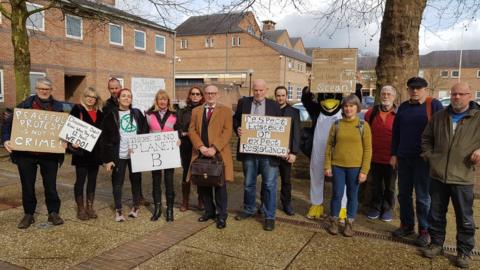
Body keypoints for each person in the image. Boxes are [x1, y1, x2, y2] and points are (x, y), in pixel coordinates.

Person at [421, 82, 480, 269]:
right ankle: (436, 243)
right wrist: (430, 157)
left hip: (463, 176)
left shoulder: (477, 118)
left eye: (461, 94)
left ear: (469, 95)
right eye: (454, 94)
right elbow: (426, 139)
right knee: (436, 214)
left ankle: (464, 251)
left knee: (465, 217)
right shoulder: (439, 117)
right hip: (438, 175)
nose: (456, 97)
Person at [2, 77, 65, 228]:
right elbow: (8, 125)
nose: (44, 91)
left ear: (51, 90)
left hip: (50, 155)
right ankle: (28, 214)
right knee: (27, 185)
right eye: (41, 88)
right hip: (26, 155)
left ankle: (53, 213)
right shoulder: (25, 105)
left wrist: (65, 140)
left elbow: (65, 128)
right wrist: (6, 140)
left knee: (50, 185)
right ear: (36, 89)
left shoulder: (58, 107)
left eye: (47, 89)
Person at [390, 77, 443, 246]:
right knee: (403, 194)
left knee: (422, 197)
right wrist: (394, 154)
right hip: (404, 157)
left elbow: (441, 132)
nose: (415, 91)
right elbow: (396, 132)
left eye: (418, 88)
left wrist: (435, 155)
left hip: (423, 160)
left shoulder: (433, 105)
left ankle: (424, 230)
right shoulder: (404, 107)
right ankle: (407, 225)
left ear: (425, 90)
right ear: (408, 90)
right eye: (412, 88)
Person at [233, 79, 281, 231]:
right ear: (252, 90)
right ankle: (249, 209)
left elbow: (282, 127)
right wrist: (238, 128)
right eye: (256, 90)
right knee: (248, 183)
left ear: (266, 90)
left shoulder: (274, 106)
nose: (258, 93)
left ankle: (269, 216)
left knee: (269, 184)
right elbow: (235, 119)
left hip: (268, 153)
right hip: (249, 151)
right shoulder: (244, 103)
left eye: (261, 90)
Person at [325, 94, 372, 237]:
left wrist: (364, 170)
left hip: (355, 168)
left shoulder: (363, 126)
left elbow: (368, 149)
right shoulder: (337, 124)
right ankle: (333, 221)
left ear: (357, 108)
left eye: (351, 106)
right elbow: (329, 146)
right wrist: (327, 166)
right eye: (345, 106)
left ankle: (349, 224)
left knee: (352, 196)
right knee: (336, 195)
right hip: (337, 166)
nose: (348, 109)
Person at [189, 85, 233, 229]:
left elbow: (227, 131)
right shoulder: (196, 111)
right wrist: (200, 146)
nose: (210, 96)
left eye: (213, 93)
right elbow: (192, 130)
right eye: (207, 93)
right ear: (204, 95)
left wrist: (214, 148)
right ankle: (209, 211)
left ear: (218, 95)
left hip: (218, 153)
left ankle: (222, 216)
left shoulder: (226, 111)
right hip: (201, 153)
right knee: (203, 184)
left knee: (220, 186)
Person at [101, 88, 148, 222]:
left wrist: (140, 148)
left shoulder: (137, 113)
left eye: (129, 96)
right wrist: (107, 160)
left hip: (135, 155)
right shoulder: (111, 115)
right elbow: (105, 139)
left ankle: (136, 206)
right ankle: (118, 209)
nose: (126, 98)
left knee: (136, 181)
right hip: (119, 155)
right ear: (118, 99)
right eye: (124, 96)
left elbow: (144, 131)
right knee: (117, 183)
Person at [301, 87, 348, 220]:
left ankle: (342, 208)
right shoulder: (316, 110)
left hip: (339, 150)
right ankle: (316, 204)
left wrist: (354, 85)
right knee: (316, 175)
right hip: (319, 150)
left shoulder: (345, 110)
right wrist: (309, 87)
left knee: (341, 179)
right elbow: (306, 100)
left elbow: (355, 102)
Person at [69, 87, 104, 221]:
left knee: (93, 180)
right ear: (84, 97)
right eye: (88, 96)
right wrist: (72, 141)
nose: (90, 99)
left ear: (96, 99)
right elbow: (69, 128)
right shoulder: (77, 110)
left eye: (93, 97)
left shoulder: (100, 112)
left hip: (95, 153)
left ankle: (90, 206)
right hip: (81, 153)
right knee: (80, 180)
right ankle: (81, 208)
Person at [364, 85, 397, 222]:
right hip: (374, 157)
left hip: (391, 158)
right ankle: (376, 206)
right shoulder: (370, 114)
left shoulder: (399, 114)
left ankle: (387, 208)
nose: (386, 96)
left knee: (390, 186)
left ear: (394, 97)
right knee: (375, 185)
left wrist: (397, 155)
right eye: (383, 93)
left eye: (389, 94)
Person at [145, 90, 179, 222]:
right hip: (154, 154)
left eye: (165, 99)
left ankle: (169, 210)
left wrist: (179, 138)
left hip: (169, 154)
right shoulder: (149, 114)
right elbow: (143, 133)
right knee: (156, 182)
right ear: (156, 101)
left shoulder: (175, 114)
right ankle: (157, 209)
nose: (163, 101)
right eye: (160, 99)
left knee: (169, 182)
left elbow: (179, 129)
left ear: (168, 101)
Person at [273, 86, 301, 215]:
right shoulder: (269, 110)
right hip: (271, 152)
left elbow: (296, 133)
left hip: (286, 153)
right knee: (268, 180)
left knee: (286, 180)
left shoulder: (294, 111)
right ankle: (265, 203)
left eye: (283, 95)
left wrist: (294, 153)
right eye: (278, 95)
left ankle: (286, 204)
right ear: (275, 96)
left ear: (286, 96)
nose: (280, 98)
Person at [177, 86, 205, 212]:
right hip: (187, 146)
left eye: (198, 94)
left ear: (201, 96)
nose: (195, 96)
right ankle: (185, 201)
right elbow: (177, 125)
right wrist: (182, 133)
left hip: (200, 146)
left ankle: (201, 200)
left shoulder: (204, 110)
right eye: (193, 94)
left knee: (200, 173)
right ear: (189, 95)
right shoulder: (183, 111)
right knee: (186, 173)